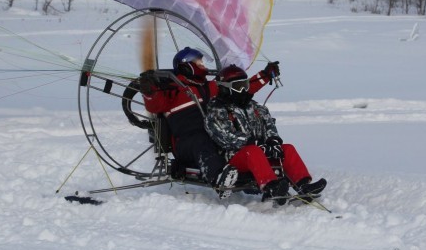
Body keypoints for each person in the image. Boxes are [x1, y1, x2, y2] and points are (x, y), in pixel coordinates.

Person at [139, 47, 279, 199]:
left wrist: (265, 75)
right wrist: (149, 90)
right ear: (186, 65)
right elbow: (154, 105)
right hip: (186, 143)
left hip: (213, 136)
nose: (203, 65)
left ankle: (259, 176)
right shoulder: (173, 91)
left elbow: (238, 88)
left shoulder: (210, 87)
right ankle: (218, 179)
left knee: (238, 137)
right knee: (201, 140)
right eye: (199, 62)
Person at [204, 64, 327, 205]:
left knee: (286, 148)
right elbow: (224, 137)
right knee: (253, 151)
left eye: (245, 85)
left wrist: (273, 141)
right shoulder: (217, 110)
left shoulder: (255, 107)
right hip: (234, 158)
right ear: (225, 87)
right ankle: (272, 187)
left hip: (258, 152)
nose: (243, 90)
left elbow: (269, 125)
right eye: (238, 86)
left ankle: (303, 184)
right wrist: (254, 144)